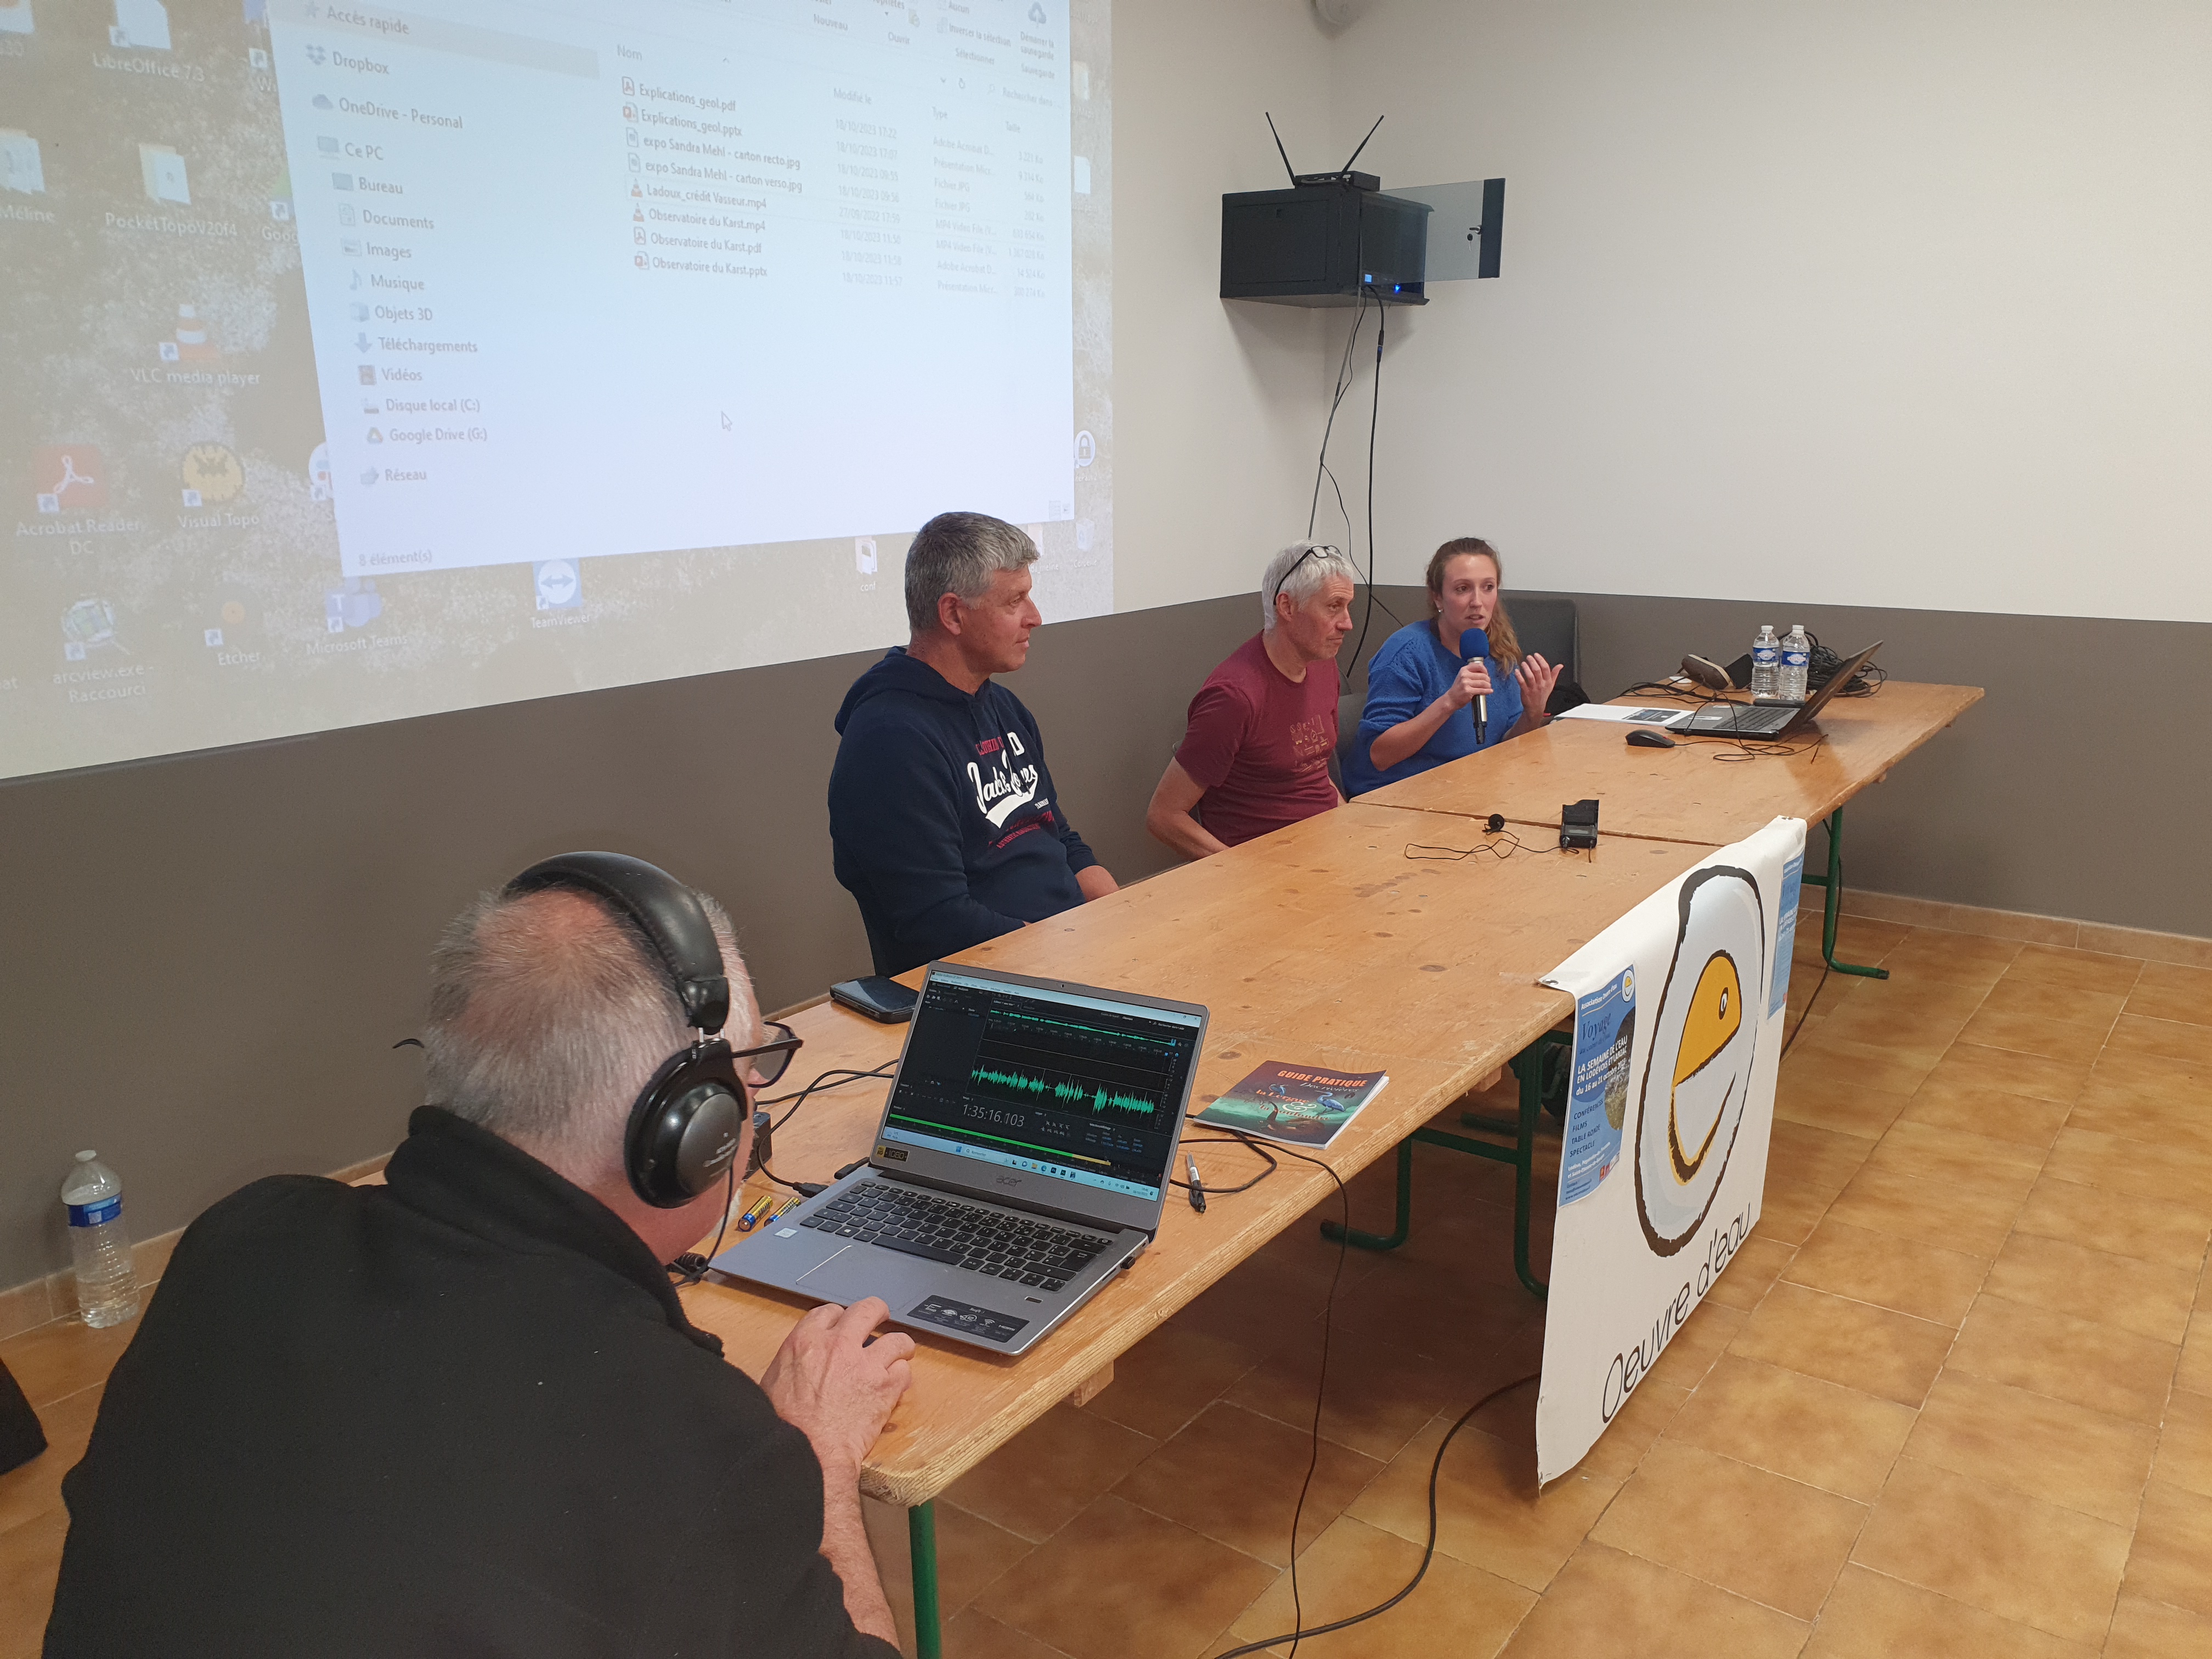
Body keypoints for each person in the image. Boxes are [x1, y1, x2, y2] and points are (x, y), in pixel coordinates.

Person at [44, 862, 912, 1658]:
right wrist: (820, 1458)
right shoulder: (697, 1440)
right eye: (752, 1071)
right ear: (691, 1129)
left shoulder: (241, 1237)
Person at [829, 511, 1116, 975]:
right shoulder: (890, 742)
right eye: (1015, 601)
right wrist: (1066, 956)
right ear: (952, 614)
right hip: (992, 983)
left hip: (1062, 952)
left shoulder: (1004, 707)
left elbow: (1058, 836)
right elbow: (937, 920)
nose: (1035, 618)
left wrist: (1120, 917)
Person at [1145, 540, 1355, 858]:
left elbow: (1314, 771)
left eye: (1348, 606)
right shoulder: (1234, 697)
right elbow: (1164, 817)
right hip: (1266, 863)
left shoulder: (1324, 665)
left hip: (1324, 846)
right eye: (1334, 606)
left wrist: (1348, 827)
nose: (1347, 623)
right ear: (1287, 607)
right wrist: (1239, 872)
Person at [1342, 537, 1561, 797]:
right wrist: (1449, 702)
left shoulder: (1498, 651)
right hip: (1396, 795)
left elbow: (1504, 748)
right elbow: (1380, 755)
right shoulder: (1406, 652)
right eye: (1462, 589)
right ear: (1438, 597)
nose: (1477, 601)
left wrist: (1533, 713)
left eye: (1488, 587)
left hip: (1469, 788)